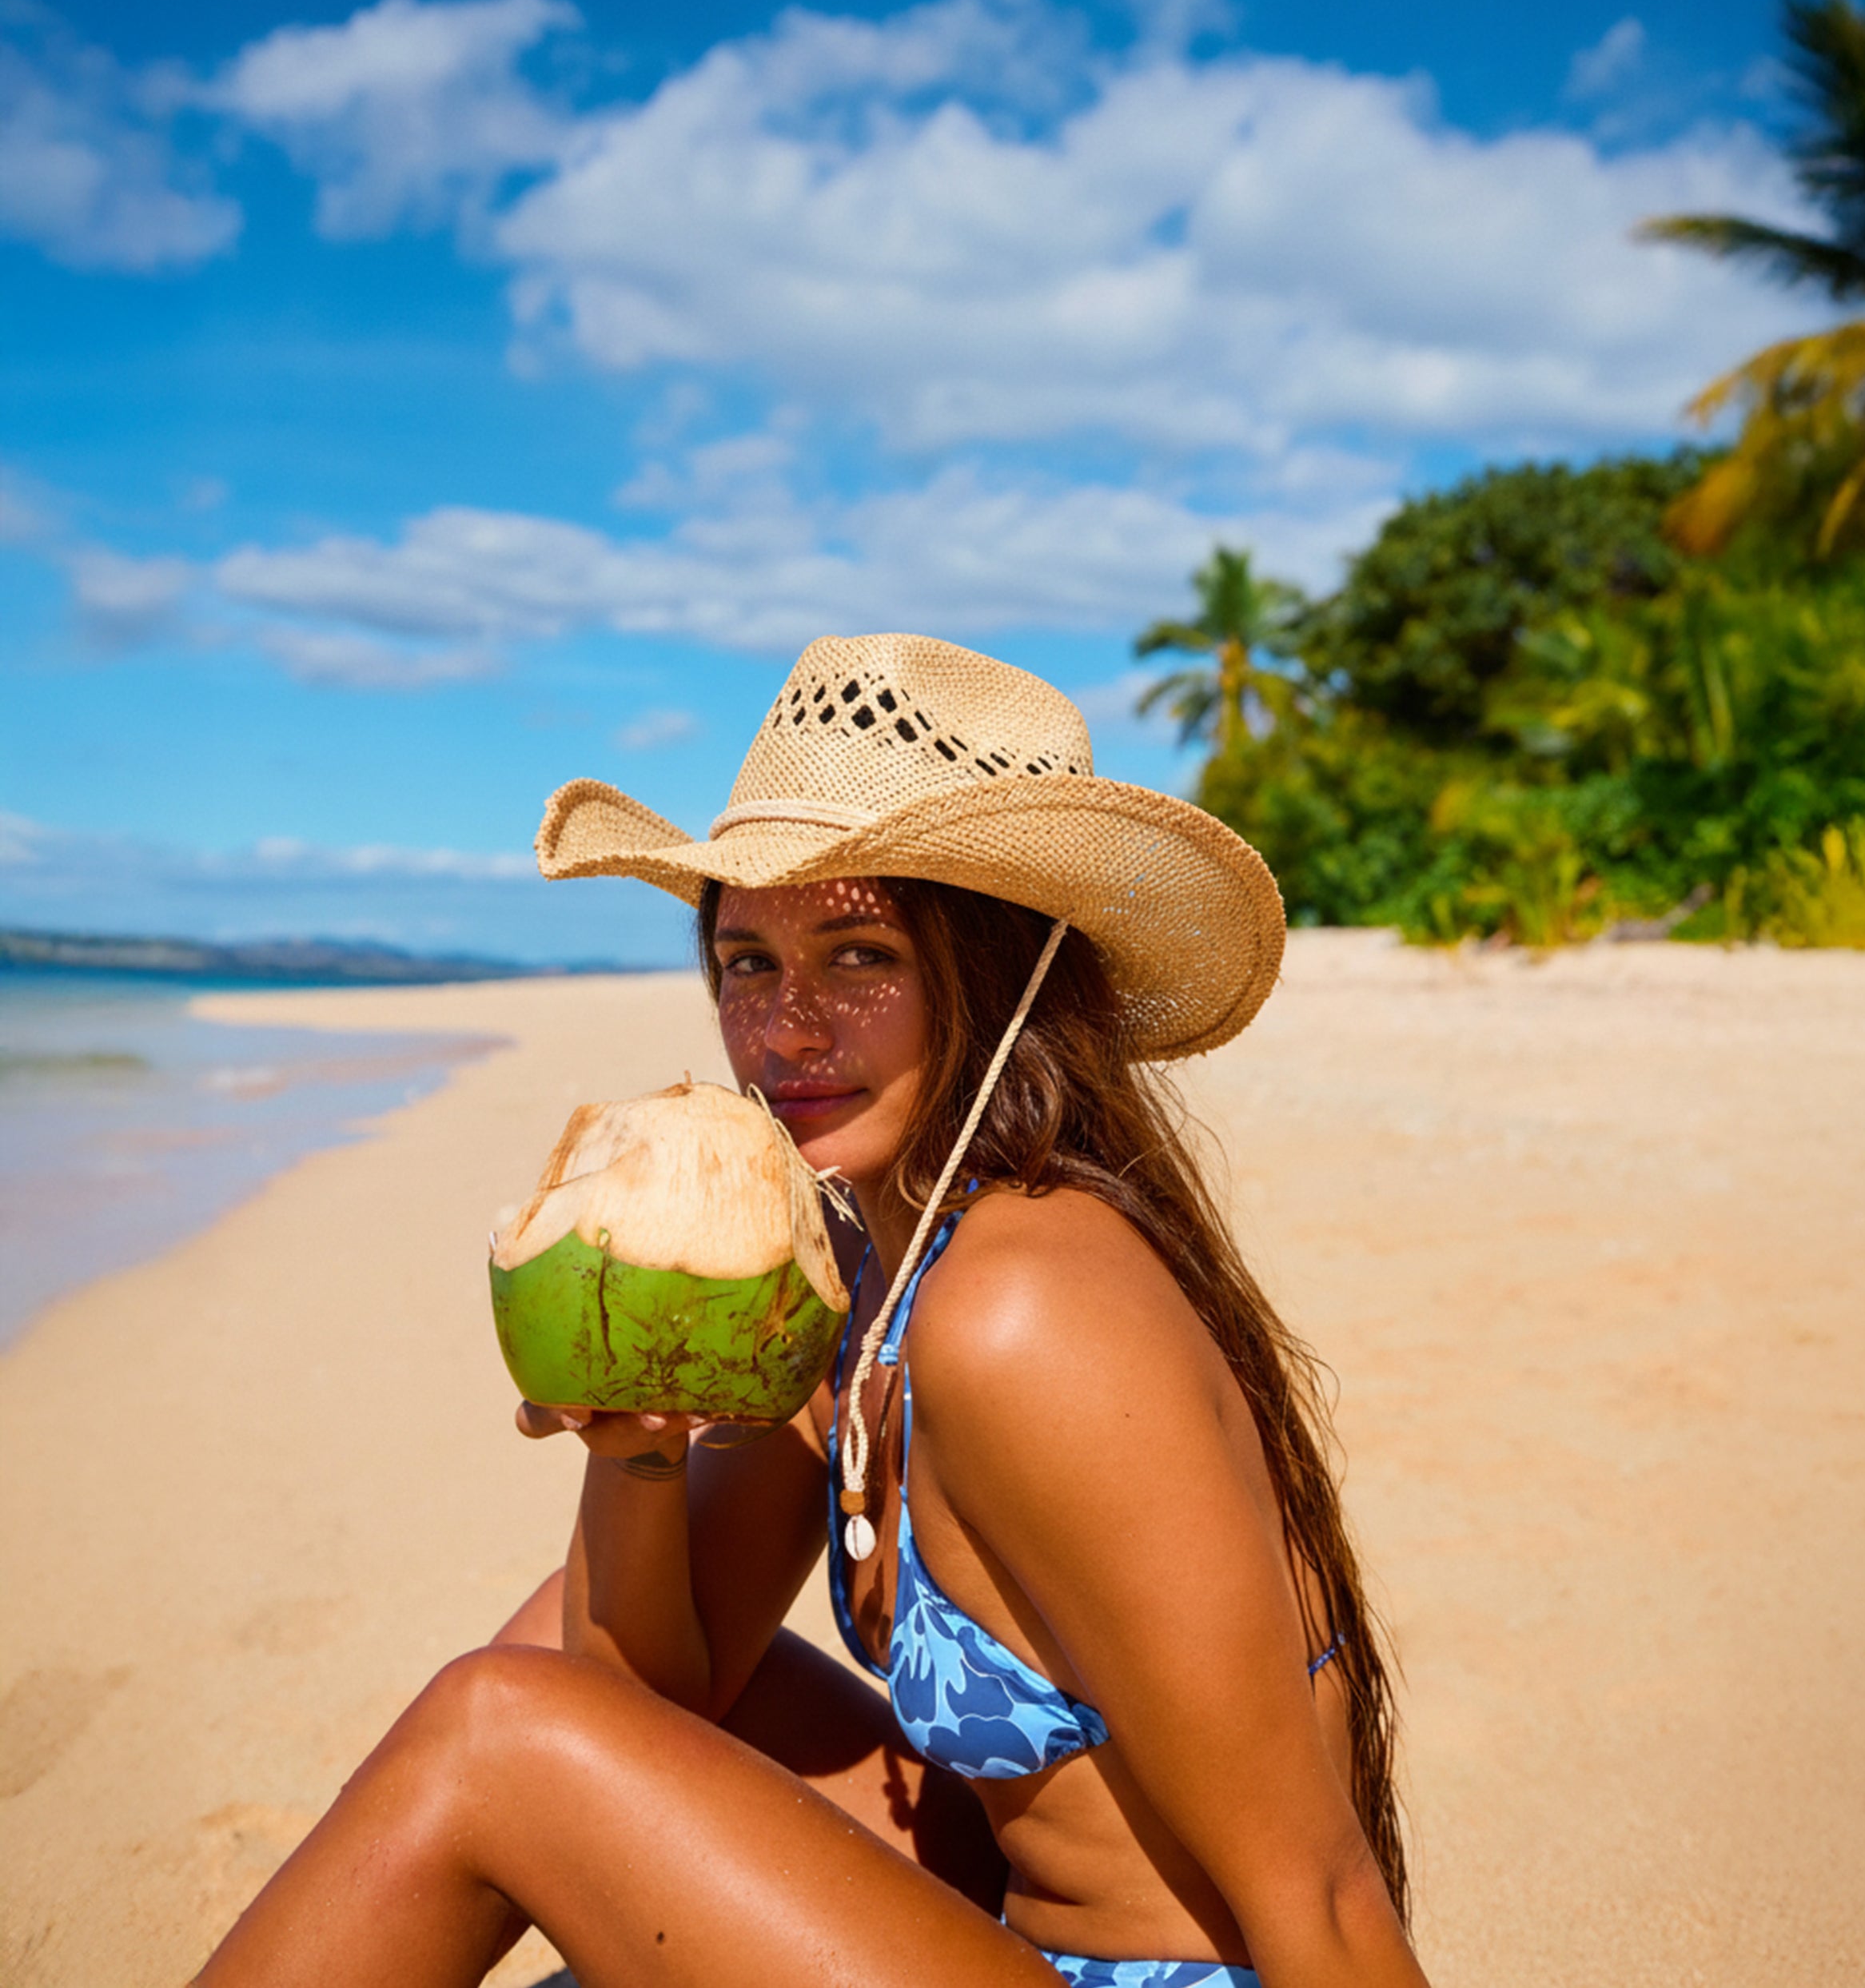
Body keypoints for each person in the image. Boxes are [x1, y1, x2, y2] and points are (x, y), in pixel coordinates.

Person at [197, 633, 1428, 1988]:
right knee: (548, 1651)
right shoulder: (858, 1290)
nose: (785, 1030)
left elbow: (1316, 1888)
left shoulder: (1023, 1309)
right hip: (1011, 1928)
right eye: (745, 963)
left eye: (858, 955)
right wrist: (640, 1451)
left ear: (1001, 972)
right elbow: (644, 1695)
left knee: (496, 1731)